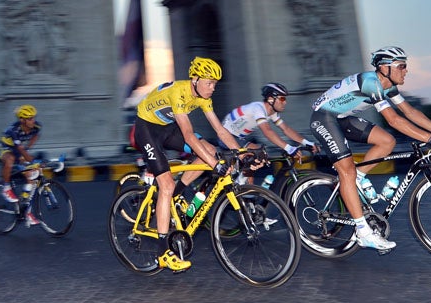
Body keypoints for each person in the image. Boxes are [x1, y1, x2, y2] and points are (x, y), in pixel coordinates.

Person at [309, 46, 431, 252]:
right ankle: (363, 232)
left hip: (342, 118)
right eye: (401, 66)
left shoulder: (388, 86)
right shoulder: (370, 82)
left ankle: (356, 178)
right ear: (384, 68)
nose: (406, 71)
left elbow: (409, 112)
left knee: (387, 141)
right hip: (324, 118)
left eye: (405, 66)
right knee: (345, 169)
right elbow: (393, 120)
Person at [133, 56, 243, 272]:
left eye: (215, 84)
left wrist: (242, 153)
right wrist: (216, 165)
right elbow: (189, 136)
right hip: (146, 129)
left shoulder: (203, 97)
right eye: (209, 83)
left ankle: (178, 191)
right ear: (195, 79)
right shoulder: (179, 93)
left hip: (166, 128)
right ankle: (163, 251)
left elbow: (220, 130)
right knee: (166, 184)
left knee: (211, 150)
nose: (212, 88)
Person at [221, 82, 318, 178]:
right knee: (256, 153)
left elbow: (286, 129)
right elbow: (267, 131)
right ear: (271, 99)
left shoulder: (272, 113)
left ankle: (244, 188)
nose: (285, 102)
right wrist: (289, 148)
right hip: (226, 136)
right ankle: (240, 183)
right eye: (282, 98)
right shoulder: (258, 108)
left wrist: (307, 142)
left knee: (259, 156)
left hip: (238, 137)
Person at [0, 104, 43, 225]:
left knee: (31, 175)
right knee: (10, 159)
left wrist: (28, 147)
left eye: (33, 117)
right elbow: (21, 151)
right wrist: (32, 160)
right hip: (5, 148)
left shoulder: (36, 126)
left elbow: (36, 135)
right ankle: (6, 188)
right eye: (29, 118)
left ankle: (26, 210)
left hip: (19, 150)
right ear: (22, 120)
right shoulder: (13, 130)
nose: (33, 120)